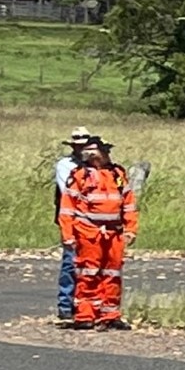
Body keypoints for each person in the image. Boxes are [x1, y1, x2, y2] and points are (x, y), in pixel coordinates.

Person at [60, 137, 136, 329]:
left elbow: (128, 202)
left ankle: (110, 315)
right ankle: (85, 315)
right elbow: (68, 208)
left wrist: (130, 229)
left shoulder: (117, 173)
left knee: (112, 273)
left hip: (114, 232)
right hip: (88, 231)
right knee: (88, 272)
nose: (104, 155)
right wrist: (68, 235)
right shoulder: (80, 175)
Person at [53, 127, 92, 322]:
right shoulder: (65, 165)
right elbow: (68, 190)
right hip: (72, 218)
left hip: (91, 220)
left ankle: (84, 304)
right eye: (79, 145)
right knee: (71, 261)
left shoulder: (96, 166)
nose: (82, 148)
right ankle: (66, 305)